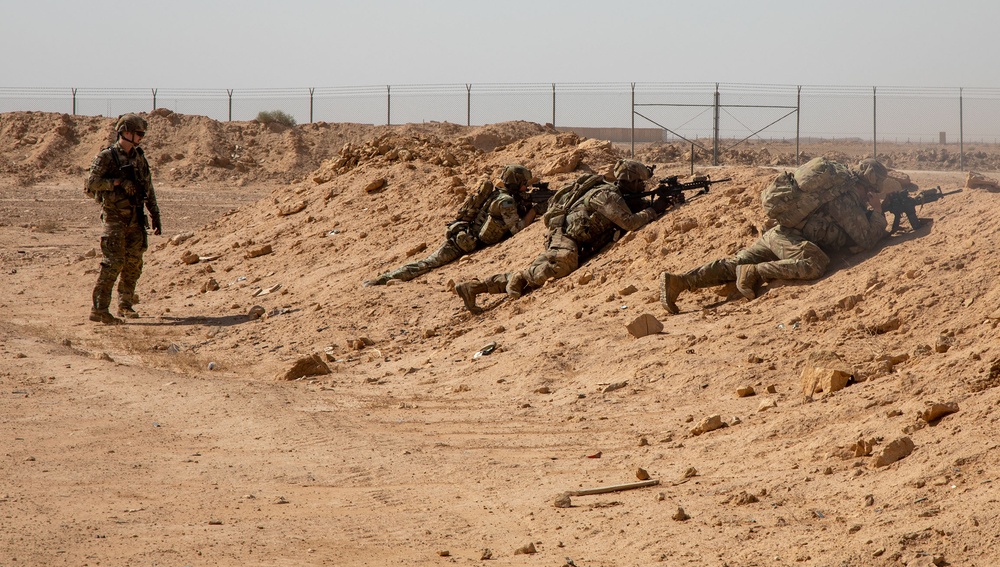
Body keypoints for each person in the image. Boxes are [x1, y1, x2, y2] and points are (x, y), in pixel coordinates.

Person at [659, 158, 889, 314]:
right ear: (865, 184)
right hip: (791, 239)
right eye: (870, 191)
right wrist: (878, 213)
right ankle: (756, 271)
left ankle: (680, 281)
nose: (869, 196)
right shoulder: (844, 198)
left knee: (734, 264)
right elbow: (867, 239)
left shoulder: (835, 183)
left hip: (779, 233)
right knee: (815, 263)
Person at [455, 159, 671, 313]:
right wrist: (655, 209)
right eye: (641, 183)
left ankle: (476, 287)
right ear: (632, 182)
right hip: (565, 238)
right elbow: (630, 223)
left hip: (568, 237)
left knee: (535, 274)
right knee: (560, 267)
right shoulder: (607, 196)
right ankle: (520, 277)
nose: (643, 186)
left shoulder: (618, 194)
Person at [363, 164, 539, 286]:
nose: (525, 187)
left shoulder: (502, 195)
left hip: (467, 237)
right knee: (427, 264)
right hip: (461, 242)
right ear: (516, 182)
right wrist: (535, 211)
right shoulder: (505, 202)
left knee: (427, 263)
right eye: (524, 184)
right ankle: (380, 280)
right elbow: (517, 228)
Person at [85, 114, 162, 324]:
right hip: (114, 218)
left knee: (134, 263)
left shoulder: (139, 157)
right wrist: (117, 183)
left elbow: (148, 187)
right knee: (113, 263)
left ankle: (125, 305)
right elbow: (91, 184)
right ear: (126, 132)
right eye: (139, 134)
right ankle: (99, 309)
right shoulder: (107, 157)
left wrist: (155, 214)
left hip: (135, 218)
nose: (141, 138)